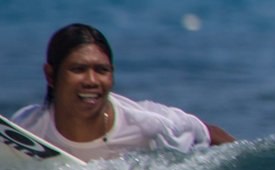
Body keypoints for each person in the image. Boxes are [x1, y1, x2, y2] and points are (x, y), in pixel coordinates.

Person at [12, 24, 234, 162]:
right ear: (51, 75)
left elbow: (208, 133)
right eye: (78, 69)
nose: (91, 81)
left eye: (102, 70)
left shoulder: (148, 125)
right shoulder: (26, 129)